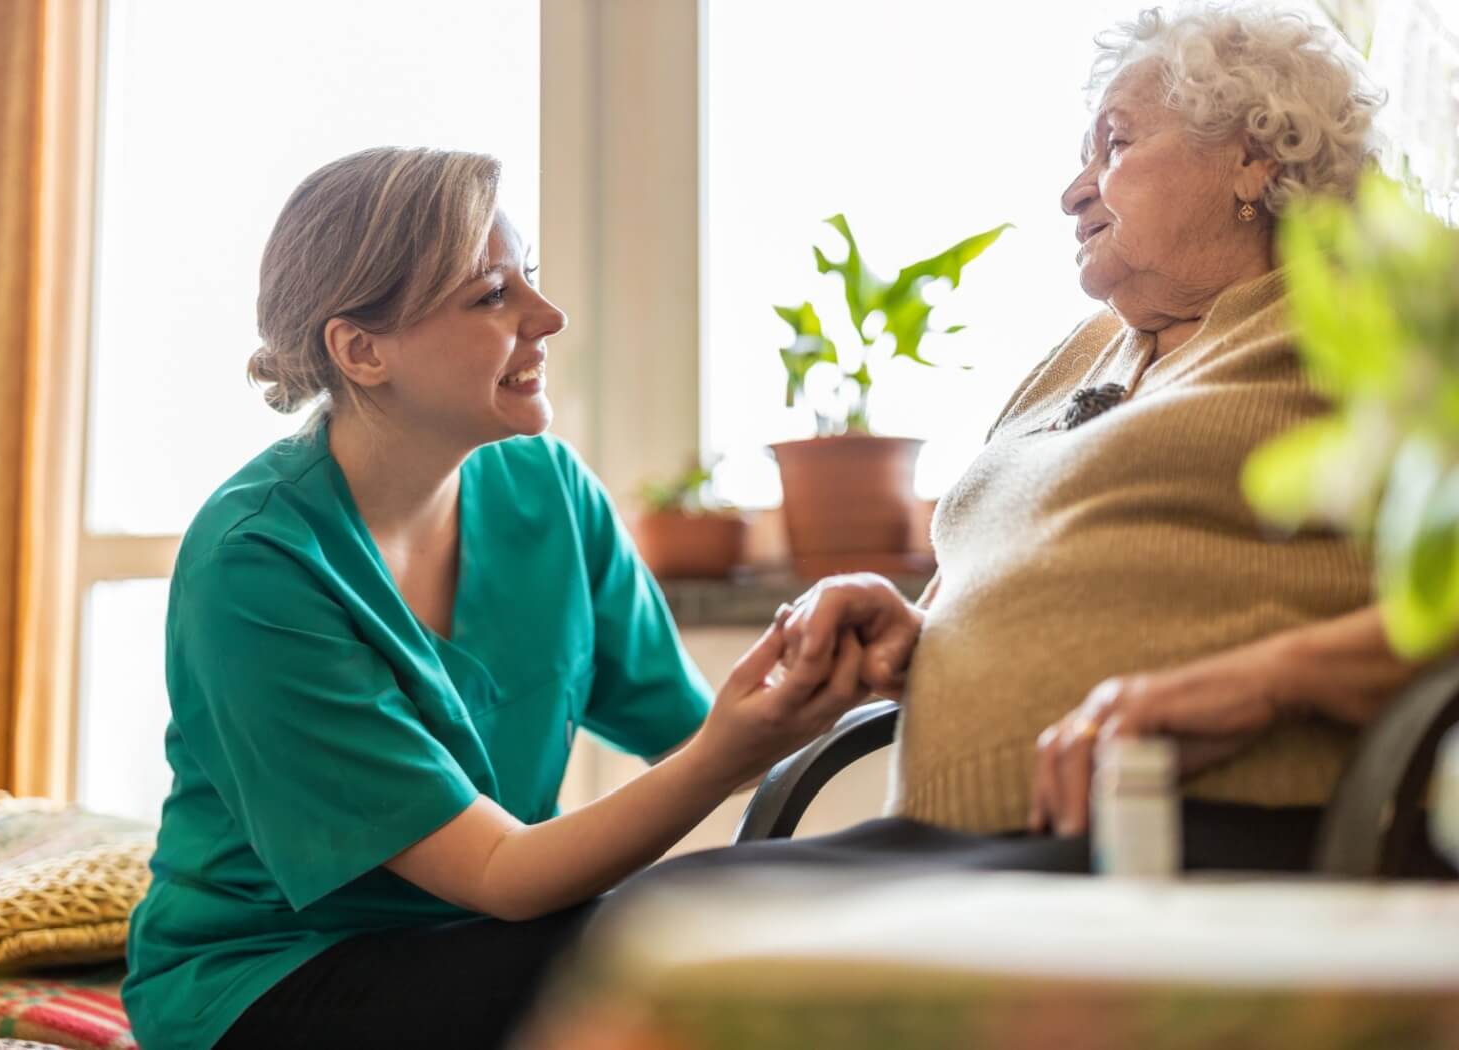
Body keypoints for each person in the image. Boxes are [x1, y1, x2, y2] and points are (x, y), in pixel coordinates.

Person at [623, 2, 1432, 886]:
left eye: (1116, 145)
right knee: (651, 919)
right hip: (970, 843)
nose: (1073, 190)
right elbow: (1062, 578)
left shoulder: (1382, 314)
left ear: (1251, 155)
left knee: (664, 931)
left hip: (1203, 830)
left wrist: (1271, 677)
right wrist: (914, 631)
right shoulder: (1083, 352)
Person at [121, 148, 872, 1050]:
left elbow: (693, 727)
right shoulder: (257, 564)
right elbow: (502, 871)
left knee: (748, 919)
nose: (548, 318)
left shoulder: (548, 490)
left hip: (478, 939)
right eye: (490, 296)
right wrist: (728, 749)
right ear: (362, 350)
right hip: (270, 977)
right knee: (654, 947)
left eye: (533, 281)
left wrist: (838, 656)